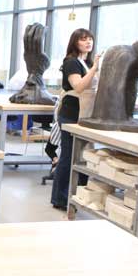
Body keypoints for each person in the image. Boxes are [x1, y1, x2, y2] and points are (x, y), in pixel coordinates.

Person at [50, 28, 101, 210]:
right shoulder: (72, 62)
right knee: (69, 156)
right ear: (75, 42)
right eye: (83, 40)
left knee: (83, 156)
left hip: (83, 115)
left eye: (90, 39)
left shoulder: (84, 62)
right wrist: (95, 68)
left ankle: (79, 194)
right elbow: (78, 86)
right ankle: (60, 197)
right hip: (71, 114)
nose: (88, 42)